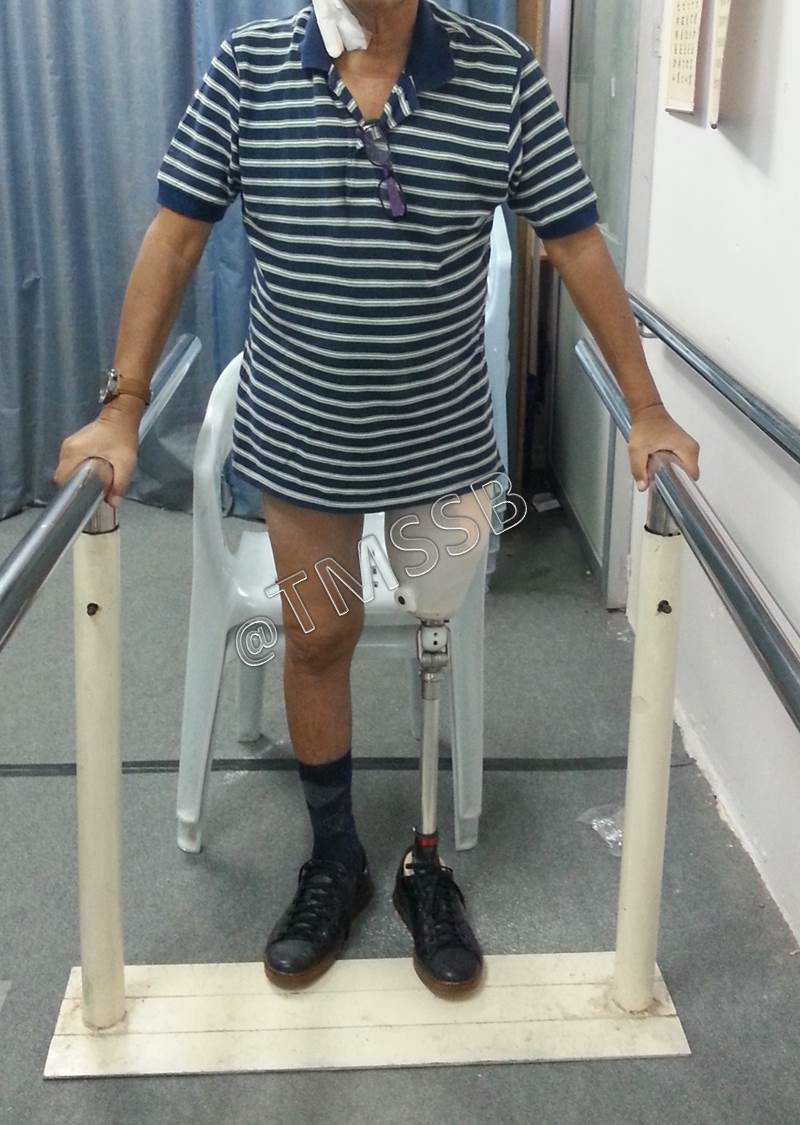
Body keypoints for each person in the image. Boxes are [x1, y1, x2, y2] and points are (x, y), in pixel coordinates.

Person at [53, 0, 700, 996]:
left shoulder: (500, 75)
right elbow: (175, 240)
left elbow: (573, 242)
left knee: (436, 639)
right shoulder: (251, 69)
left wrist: (646, 407)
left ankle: (425, 861)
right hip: (302, 439)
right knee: (319, 637)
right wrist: (122, 407)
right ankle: (337, 856)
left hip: (443, 443)